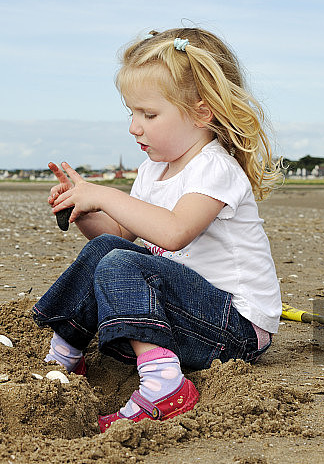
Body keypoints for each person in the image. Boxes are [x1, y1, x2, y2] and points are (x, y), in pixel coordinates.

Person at [32, 27, 283, 433]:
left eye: (149, 115)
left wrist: (107, 194)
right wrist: (84, 206)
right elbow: (115, 234)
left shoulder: (214, 167)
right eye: (131, 113)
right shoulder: (153, 170)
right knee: (108, 252)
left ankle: (166, 385)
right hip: (183, 314)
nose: (135, 127)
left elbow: (173, 232)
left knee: (121, 262)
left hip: (235, 329)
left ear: (203, 112)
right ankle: (66, 353)